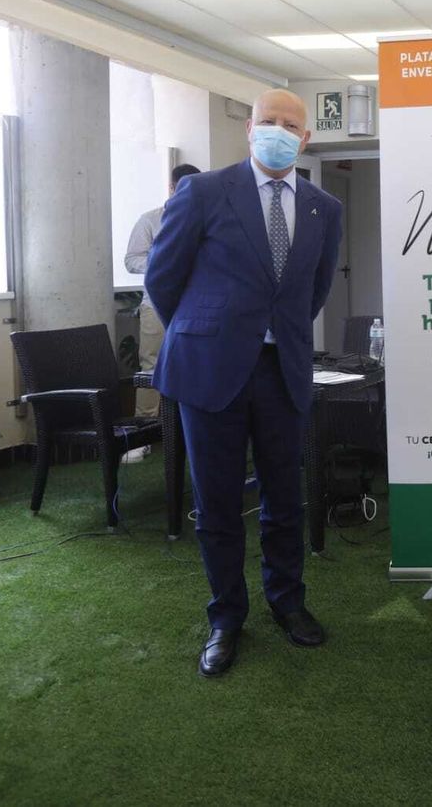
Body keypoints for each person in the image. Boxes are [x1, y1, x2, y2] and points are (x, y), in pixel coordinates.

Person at [146, 88, 344, 679]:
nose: (279, 131)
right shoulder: (204, 192)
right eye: (269, 121)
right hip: (209, 370)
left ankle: (288, 603)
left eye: (291, 124)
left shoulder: (323, 208)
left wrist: (270, 333)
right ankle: (226, 617)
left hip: (281, 369)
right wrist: (205, 329)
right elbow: (163, 278)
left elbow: (314, 292)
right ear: (249, 129)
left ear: (305, 139)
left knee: (285, 497)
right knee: (217, 504)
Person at [125, 163, 200, 449]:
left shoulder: (205, 220)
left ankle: (187, 430)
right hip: (155, 305)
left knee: (195, 364)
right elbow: (132, 260)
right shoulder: (150, 220)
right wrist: (164, 264)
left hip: (194, 307)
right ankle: (142, 436)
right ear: (171, 187)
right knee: (151, 365)